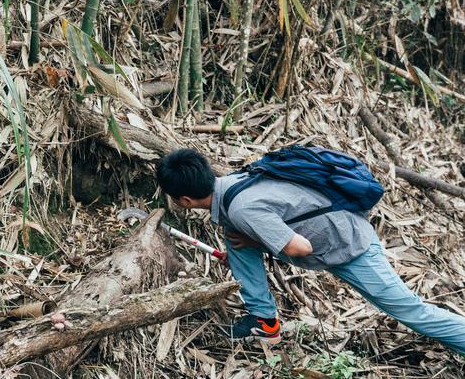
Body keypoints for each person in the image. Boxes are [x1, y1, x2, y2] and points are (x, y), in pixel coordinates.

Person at [155, 148, 465, 354]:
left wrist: (258, 240)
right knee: (236, 239)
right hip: (339, 235)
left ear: (184, 200)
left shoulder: (243, 209)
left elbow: (300, 247)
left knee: (412, 311)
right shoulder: (233, 185)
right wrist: (249, 243)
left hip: (351, 247)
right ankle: (266, 323)